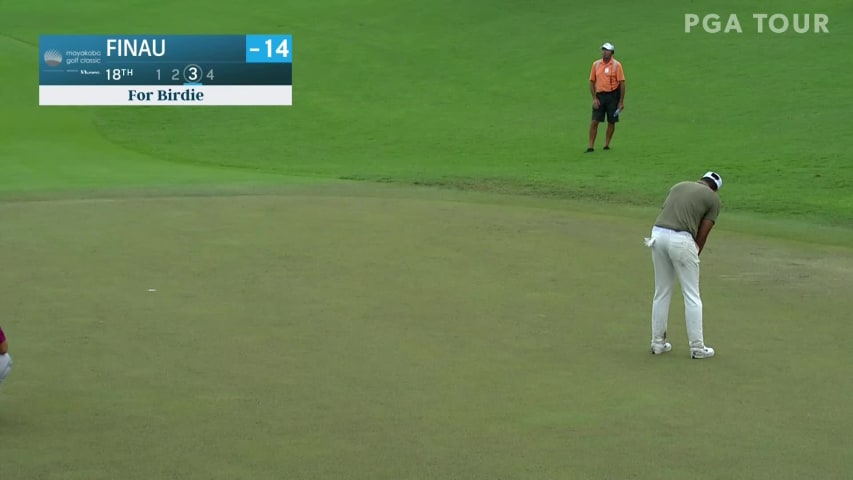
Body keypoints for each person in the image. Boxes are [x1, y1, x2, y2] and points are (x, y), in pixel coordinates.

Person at [644, 172, 723, 359]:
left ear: (701, 180)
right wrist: (695, 253)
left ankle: (657, 343)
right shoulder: (713, 199)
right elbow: (704, 232)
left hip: (657, 234)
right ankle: (697, 347)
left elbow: (666, 210)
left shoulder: (678, 185)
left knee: (661, 291)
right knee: (692, 294)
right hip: (681, 239)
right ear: (715, 188)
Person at [586, 42, 625, 153]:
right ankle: (590, 146)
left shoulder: (617, 65)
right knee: (594, 121)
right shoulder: (596, 64)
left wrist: (621, 101)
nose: (604, 52)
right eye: (603, 50)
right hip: (600, 96)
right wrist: (594, 98)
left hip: (613, 96)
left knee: (611, 121)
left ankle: (606, 144)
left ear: (612, 52)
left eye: (607, 50)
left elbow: (622, 83)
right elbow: (592, 81)